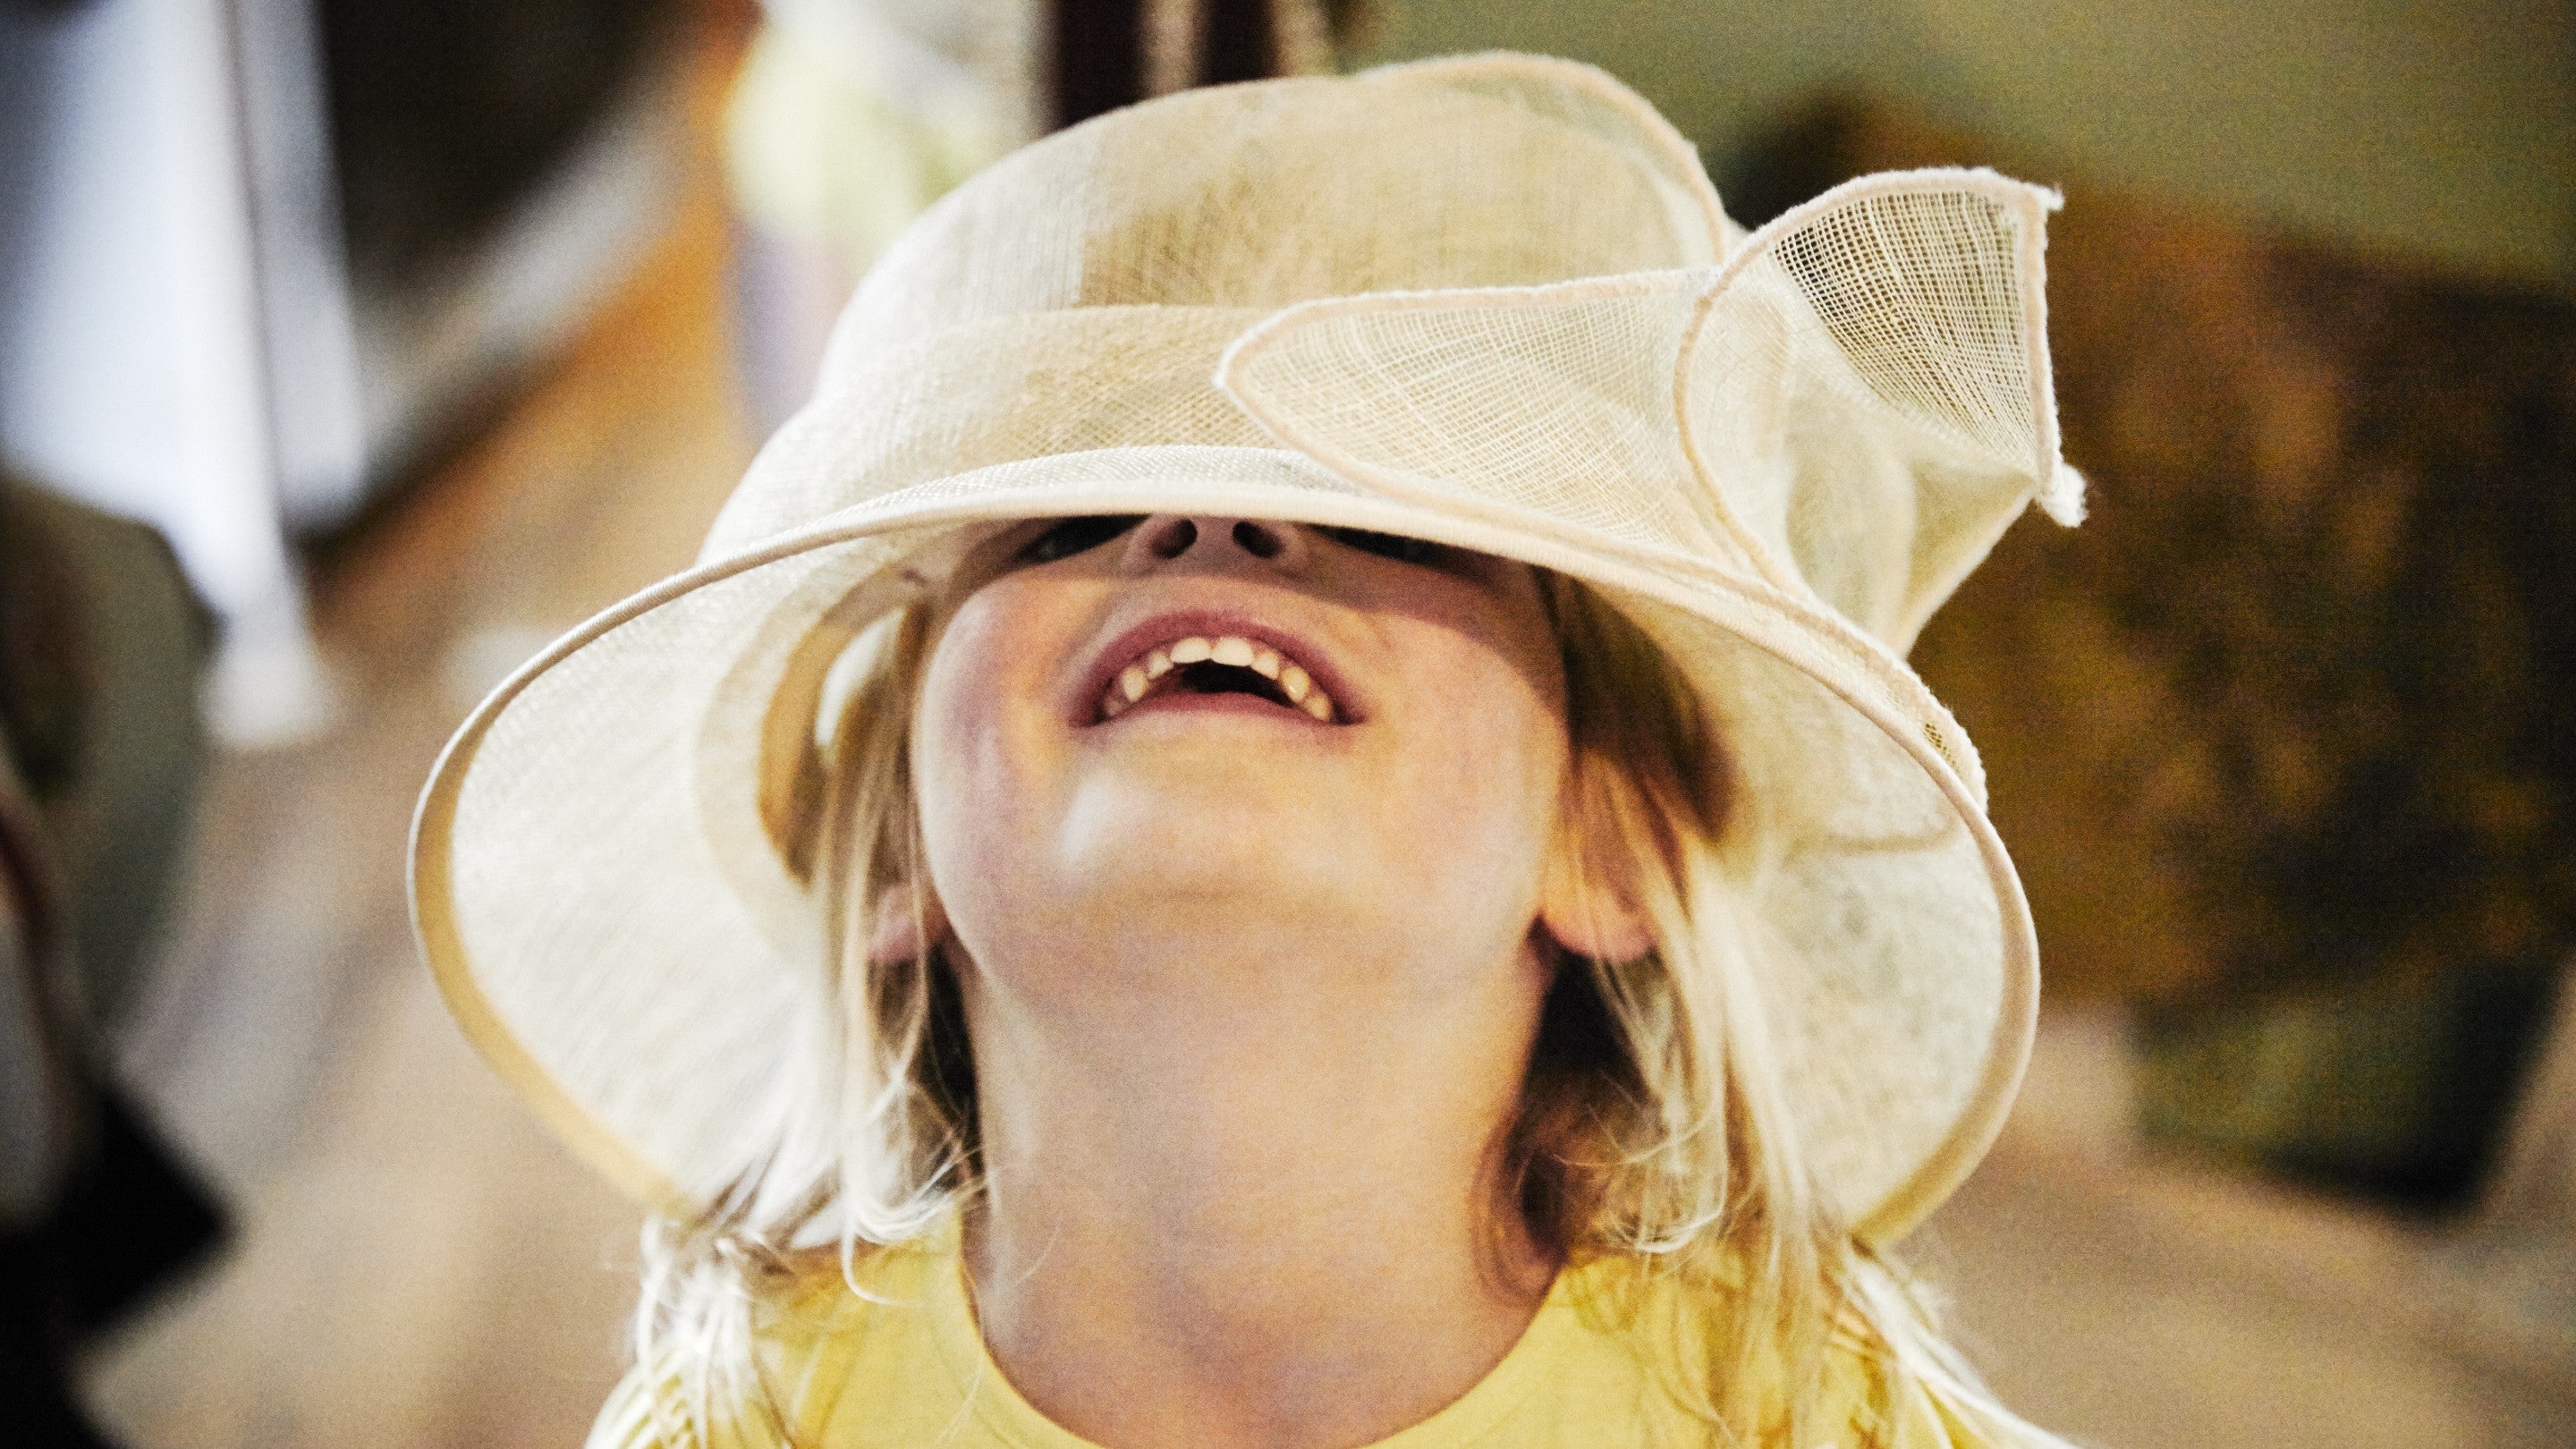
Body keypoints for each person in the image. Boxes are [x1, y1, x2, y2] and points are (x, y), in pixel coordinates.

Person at [411, 53, 2089, 1448]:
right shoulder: (753, 1421)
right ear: (898, 842)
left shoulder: (1795, 1412)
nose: (1207, 519)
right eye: (1069, 515)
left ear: (1617, 835)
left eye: (1401, 526)